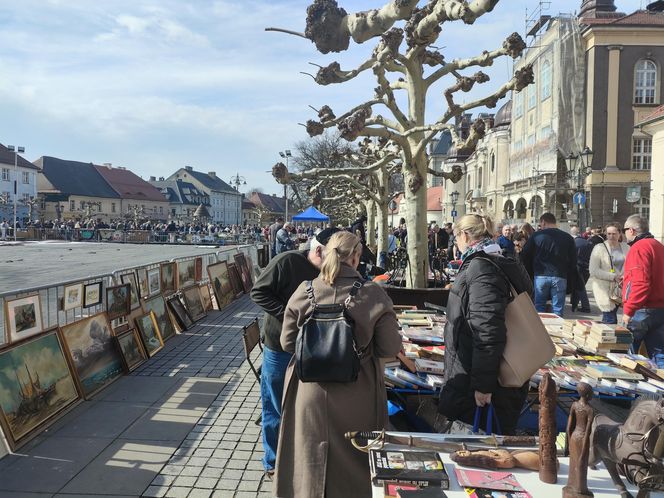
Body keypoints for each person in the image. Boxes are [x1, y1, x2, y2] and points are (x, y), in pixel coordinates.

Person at [274, 231, 401, 497]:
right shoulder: (373, 294)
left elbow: (287, 343)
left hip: (310, 390)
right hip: (359, 390)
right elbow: (390, 348)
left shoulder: (304, 290)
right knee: (357, 462)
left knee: (309, 459)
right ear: (355, 258)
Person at [250, 227, 339, 476]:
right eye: (333, 255)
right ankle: (273, 461)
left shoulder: (329, 269)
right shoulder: (288, 261)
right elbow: (258, 292)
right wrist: (287, 315)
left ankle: (298, 455)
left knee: (306, 404)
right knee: (275, 406)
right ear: (318, 250)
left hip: (312, 345)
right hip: (279, 346)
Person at [437, 214, 533, 435]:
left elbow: (487, 330)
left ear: (465, 235)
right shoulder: (496, 259)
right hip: (489, 374)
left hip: (483, 381)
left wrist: (483, 386)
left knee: (479, 451)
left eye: (456, 237)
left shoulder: (482, 269)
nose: (455, 243)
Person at [621, 215, 664, 357]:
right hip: (660, 308)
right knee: (658, 354)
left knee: (628, 355)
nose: (624, 233)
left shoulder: (639, 248)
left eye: (624, 229)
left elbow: (641, 283)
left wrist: (628, 310)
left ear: (631, 230)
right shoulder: (658, 246)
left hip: (642, 309)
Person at [520, 213, 577, 317]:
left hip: (540, 276)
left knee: (539, 308)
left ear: (543, 222)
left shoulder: (537, 236)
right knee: (558, 310)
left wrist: (530, 271)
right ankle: (556, 331)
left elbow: (524, 255)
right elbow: (573, 261)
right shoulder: (568, 238)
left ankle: (540, 332)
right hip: (560, 276)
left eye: (540, 224)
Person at [589, 224, 629, 324]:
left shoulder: (626, 247)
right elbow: (593, 270)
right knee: (610, 319)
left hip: (621, 288)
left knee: (615, 321)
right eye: (609, 234)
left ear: (619, 234)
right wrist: (613, 276)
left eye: (614, 233)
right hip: (605, 289)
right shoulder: (599, 248)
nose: (611, 236)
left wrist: (625, 275)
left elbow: (631, 265)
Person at [570, 226, 591, 313]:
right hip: (587, 267)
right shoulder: (587, 242)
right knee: (579, 286)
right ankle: (574, 303)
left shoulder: (573, 243)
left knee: (580, 287)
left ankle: (585, 306)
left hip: (578, 267)